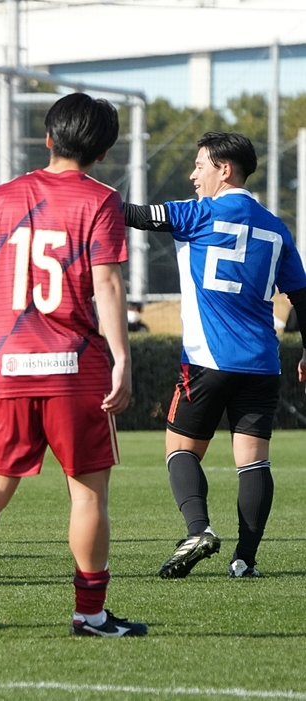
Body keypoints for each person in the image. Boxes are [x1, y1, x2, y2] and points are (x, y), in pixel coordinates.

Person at [0, 92, 147, 639]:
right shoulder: (102, 200)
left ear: (47, 138)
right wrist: (122, 359)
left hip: (12, 366)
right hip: (74, 372)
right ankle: (90, 615)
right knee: (87, 495)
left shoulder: (4, 196)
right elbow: (106, 283)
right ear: (104, 151)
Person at [124, 131, 306, 580]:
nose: (193, 175)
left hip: (207, 359)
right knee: (254, 460)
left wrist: (80, 190)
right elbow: (303, 297)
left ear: (225, 170)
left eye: (200, 165)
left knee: (180, 449)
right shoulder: (276, 228)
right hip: (263, 363)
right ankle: (245, 560)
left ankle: (198, 530)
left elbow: (134, 215)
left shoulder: (197, 213)